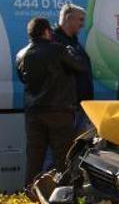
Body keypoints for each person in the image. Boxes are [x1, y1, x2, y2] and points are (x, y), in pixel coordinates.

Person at [15, 17, 86, 185]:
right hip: (58, 111)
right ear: (46, 31)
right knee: (63, 157)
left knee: (34, 157)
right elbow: (80, 66)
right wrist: (72, 50)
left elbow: (23, 80)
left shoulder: (21, 54)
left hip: (33, 113)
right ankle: (61, 195)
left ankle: (31, 194)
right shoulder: (59, 50)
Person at [53, 4, 93, 134]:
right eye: (80, 20)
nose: (83, 25)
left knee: (78, 148)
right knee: (63, 149)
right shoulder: (55, 43)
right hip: (66, 108)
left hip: (80, 106)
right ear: (68, 18)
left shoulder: (74, 42)